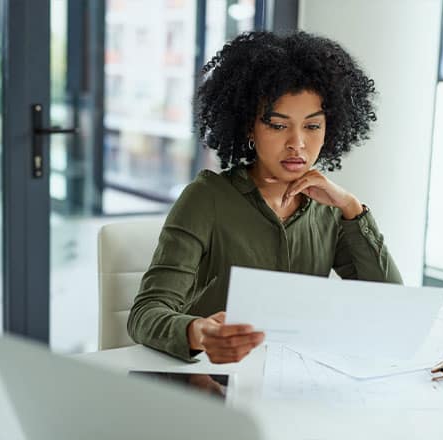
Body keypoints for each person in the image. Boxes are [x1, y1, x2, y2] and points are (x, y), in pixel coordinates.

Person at [127, 31, 403, 364]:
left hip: (298, 378)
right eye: (277, 125)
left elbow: (391, 306)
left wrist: (352, 208)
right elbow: (145, 314)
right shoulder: (206, 199)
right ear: (248, 127)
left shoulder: (331, 209)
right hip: (216, 379)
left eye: (312, 126)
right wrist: (198, 332)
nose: (297, 143)